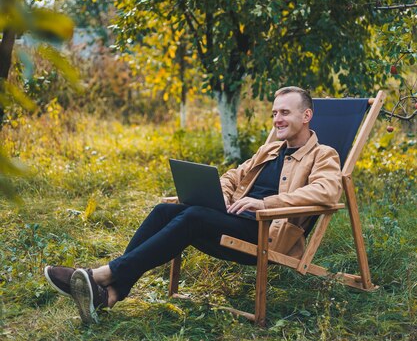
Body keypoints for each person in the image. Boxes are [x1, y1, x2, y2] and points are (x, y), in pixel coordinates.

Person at [44, 86, 342, 325]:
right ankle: (110, 294)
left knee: (193, 217)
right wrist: (224, 193)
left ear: (306, 116)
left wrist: (265, 202)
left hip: (267, 234)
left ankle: (101, 276)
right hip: (236, 219)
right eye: (275, 112)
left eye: (285, 113)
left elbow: (326, 192)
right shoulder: (270, 149)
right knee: (165, 211)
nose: (277, 119)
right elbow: (232, 175)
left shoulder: (323, 154)